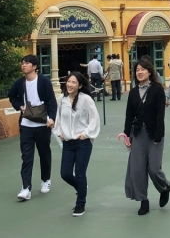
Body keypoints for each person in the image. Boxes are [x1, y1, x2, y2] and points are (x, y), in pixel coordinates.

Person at [122, 56, 170, 215]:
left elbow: (160, 114)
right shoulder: (133, 92)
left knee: (154, 168)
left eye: (143, 69)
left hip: (154, 135)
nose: (140, 72)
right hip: (138, 134)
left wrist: (158, 135)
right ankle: (143, 200)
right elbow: (129, 115)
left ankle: (164, 187)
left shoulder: (157, 90)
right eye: (137, 70)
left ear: (149, 72)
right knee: (137, 169)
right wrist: (127, 135)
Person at [7, 54, 57, 201]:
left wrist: (52, 118)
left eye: (27, 63)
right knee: (26, 156)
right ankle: (26, 188)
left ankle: (46, 180)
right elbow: (12, 96)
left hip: (43, 124)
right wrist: (19, 106)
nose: (24, 65)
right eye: (22, 63)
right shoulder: (19, 83)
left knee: (44, 153)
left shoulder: (44, 81)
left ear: (34, 66)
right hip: (26, 124)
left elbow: (51, 101)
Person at [54, 71, 101, 216]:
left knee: (80, 174)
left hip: (83, 143)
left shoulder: (86, 99)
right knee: (65, 173)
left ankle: (80, 204)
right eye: (68, 81)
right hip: (68, 142)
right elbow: (58, 116)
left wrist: (85, 134)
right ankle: (81, 188)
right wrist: (59, 132)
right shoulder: (62, 99)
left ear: (80, 85)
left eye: (74, 82)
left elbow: (94, 119)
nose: (70, 84)